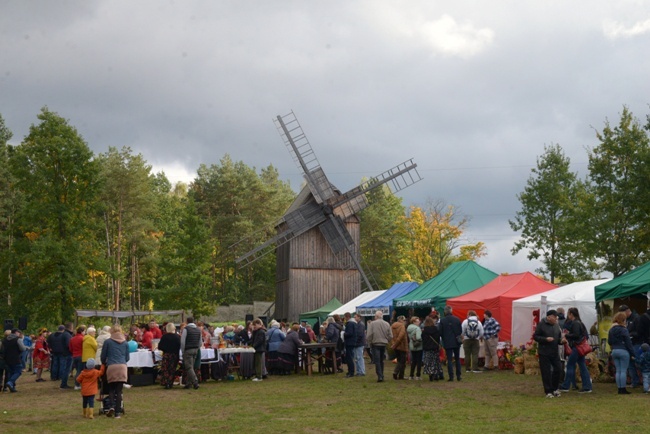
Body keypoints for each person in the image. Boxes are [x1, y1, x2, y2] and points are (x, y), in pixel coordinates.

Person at [558, 307, 592, 393]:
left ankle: (566, 386)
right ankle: (587, 386)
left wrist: (566, 335)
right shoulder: (579, 322)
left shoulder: (575, 323)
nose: (567, 315)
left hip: (577, 347)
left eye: (568, 314)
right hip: (580, 348)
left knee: (570, 365)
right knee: (582, 366)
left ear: (571, 314)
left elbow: (576, 335)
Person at [100, 324, 129, 418]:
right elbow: (127, 357)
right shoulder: (125, 343)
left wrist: (104, 362)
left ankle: (111, 406)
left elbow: (103, 356)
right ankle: (117, 413)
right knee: (119, 391)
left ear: (111, 331)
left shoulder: (108, 342)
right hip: (122, 366)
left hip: (112, 366)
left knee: (111, 389)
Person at [533, 309, 563, 398]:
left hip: (554, 351)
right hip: (544, 351)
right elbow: (536, 336)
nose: (556, 319)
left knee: (558, 369)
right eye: (554, 317)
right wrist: (545, 339)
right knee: (546, 372)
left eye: (556, 317)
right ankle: (548, 391)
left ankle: (555, 388)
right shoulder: (541, 324)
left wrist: (562, 341)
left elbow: (558, 339)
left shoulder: (556, 326)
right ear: (549, 317)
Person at [609, 311, 636, 394]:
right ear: (623, 320)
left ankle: (619, 388)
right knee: (623, 371)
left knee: (618, 370)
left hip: (614, 351)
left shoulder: (611, 330)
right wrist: (632, 353)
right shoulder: (624, 330)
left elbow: (609, 341)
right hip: (623, 351)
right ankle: (623, 389)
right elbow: (628, 343)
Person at [619, 305, 642, 388]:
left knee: (639, 362)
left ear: (627, 311)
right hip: (629, 344)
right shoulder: (626, 319)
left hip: (636, 343)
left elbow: (639, 332)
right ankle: (635, 382)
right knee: (630, 363)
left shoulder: (636, 318)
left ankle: (645, 380)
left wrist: (629, 334)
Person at [367, 310, 392, 383]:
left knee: (377, 361)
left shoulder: (372, 324)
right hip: (383, 344)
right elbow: (390, 335)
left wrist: (370, 342)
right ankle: (382, 374)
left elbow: (369, 335)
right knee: (381, 360)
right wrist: (387, 340)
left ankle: (380, 375)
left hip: (375, 344)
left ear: (377, 316)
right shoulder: (387, 324)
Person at [439, 306, 463, 382]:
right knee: (457, 359)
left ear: (445, 312)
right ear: (451, 311)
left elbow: (440, 332)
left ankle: (451, 376)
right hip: (456, 341)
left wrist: (443, 338)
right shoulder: (457, 319)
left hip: (447, 342)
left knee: (449, 359)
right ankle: (459, 376)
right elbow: (460, 331)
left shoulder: (442, 321)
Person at [180, 316, 201, 390]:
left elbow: (183, 341)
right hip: (195, 349)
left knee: (189, 367)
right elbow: (200, 342)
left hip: (188, 349)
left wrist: (182, 351)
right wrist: (197, 348)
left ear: (187, 322)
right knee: (191, 367)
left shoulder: (186, 329)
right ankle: (188, 383)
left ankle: (195, 382)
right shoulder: (198, 330)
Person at [158, 322, 181, 389]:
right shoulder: (177, 337)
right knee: (172, 369)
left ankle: (165, 382)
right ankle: (170, 382)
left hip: (166, 354)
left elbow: (160, 346)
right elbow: (179, 346)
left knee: (165, 369)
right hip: (175, 355)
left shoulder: (164, 337)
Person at [422, 316, 443, 381]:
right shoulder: (436, 330)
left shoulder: (424, 331)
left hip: (427, 348)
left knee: (428, 362)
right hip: (435, 348)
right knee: (435, 361)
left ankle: (430, 374)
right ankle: (435, 374)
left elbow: (423, 339)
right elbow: (438, 339)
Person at [390, 315, 408, 380]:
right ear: (401, 320)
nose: (405, 322)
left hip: (395, 346)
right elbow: (401, 335)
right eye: (404, 320)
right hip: (401, 345)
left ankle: (401, 375)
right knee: (402, 361)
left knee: (399, 360)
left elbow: (390, 336)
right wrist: (396, 343)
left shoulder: (392, 326)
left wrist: (393, 344)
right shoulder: (402, 326)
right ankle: (396, 372)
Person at [70, 325, 86, 390]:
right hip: (81, 355)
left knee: (77, 370)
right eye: (84, 331)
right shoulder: (83, 338)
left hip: (74, 356)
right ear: (82, 331)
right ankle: (77, 384)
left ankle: (77, 384)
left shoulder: (72, 338)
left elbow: (70, 348)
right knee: (80, 371)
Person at [343, 312, 358, 378]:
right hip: (352, 342)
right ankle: (350, 371)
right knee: (350, 357)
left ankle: (351, 372)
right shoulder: (354, 323)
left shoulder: (350, 324)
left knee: (349, 358)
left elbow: (349, 333)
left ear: (347, 317)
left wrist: (343, 333)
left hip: (349, 342)